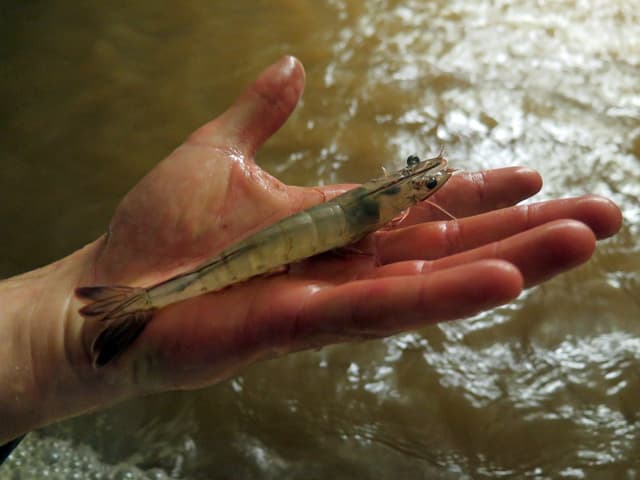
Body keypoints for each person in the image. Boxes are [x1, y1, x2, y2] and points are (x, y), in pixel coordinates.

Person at [0, 56, 622, 454]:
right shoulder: (378, 212)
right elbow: (365, 225)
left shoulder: (380, 201)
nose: (428, 183)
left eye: (425, 183)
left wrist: (50, 348)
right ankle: (132, 306)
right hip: (263, 251)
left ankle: (130, 307)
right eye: (422, 181)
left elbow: (373, 212)